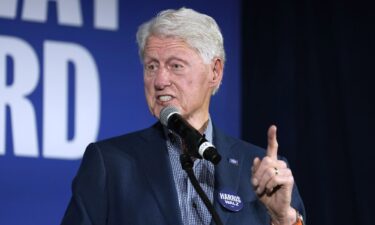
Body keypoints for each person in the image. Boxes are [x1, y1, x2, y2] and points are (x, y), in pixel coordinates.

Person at [61, 7, 305, 225]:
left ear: (215, 72)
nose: (160, 81)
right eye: (151, 66)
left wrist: (283, 219)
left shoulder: (263, 170)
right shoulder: (111, 164)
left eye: (175, 66)